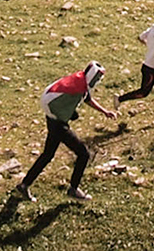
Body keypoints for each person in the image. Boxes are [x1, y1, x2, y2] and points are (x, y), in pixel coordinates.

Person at [12, 60, 104, 203]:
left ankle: (24, 185)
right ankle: (74, 189)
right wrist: (72, 113)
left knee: (48, 155)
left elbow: (86, 99)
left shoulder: (79, 79)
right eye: (97, 77)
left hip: (52, 118)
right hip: (58, 124)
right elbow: (80, 99)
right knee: (83, 154)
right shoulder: (79, 86)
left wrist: (104, 111)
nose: (98, 81)